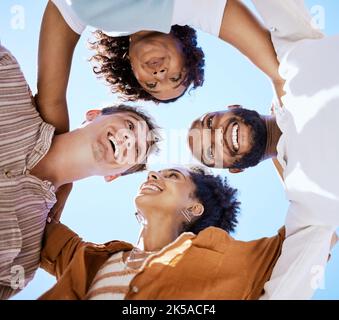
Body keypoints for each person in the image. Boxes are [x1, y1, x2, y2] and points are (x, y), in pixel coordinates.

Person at [188, 0, 339, 298]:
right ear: (235, 168)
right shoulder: (306, 207)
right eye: (210, 152)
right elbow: (285, 290)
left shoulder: (292, 54)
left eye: (208, 123)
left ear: (231, 106)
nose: (216, 135)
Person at [0, 44, 160, 299]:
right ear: (93, 114)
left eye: (137, 149)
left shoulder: (26, 256)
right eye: (130, 124)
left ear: (113, 175)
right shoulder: (6, 79)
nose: (128, 138)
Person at [37, 0, 284, 134]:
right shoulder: (190, 5)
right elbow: (279, 72)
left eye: (151, 84)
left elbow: (52, 100)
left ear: (131, 68)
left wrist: (60, 181)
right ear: (183, 48)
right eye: (176, 76)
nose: (159, 74)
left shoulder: (88, 14)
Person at [38, 166, 286, 300]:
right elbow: (27, 215)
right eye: (157, 172)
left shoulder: (222, 263)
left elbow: (309, 230)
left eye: (173, 176)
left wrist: (273, 141)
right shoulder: (90, 259)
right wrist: (67, 177)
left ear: (193, 208)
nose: (153, 174)